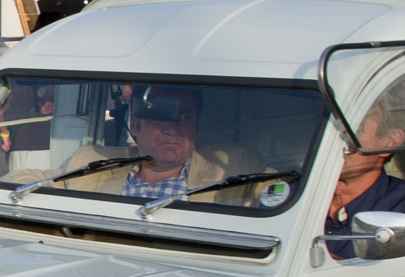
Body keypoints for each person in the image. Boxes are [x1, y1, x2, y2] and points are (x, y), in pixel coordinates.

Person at [52, 88, 265, 206]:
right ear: (135, 124)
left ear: (196, 126)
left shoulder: (234, 164)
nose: (173, 129)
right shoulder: (91, 161)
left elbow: (282, 189)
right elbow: (25, 182)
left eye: (185, 116)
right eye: (161, 117)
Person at [322, 93, 405, 260]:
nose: (334, 139)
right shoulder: (291, 195)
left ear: (389, 143)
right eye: (330, 128)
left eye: (354, 129)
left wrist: (334, 266)